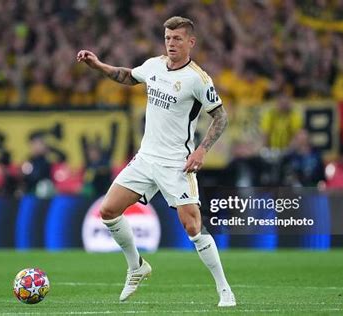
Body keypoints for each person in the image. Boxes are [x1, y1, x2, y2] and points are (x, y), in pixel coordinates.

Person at [77, 16, 236, 307]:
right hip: (146, 158)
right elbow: (127, 76)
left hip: (176, 163)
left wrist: (201, 151)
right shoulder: (154, 65)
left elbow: (221, 117)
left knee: (192, 227)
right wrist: (98, 65)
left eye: (177, 39)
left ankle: (225, 289)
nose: (171, 43)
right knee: (108, 210)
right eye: (167, 38)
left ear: (191, 42)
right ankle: (136, 266)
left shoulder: (198, 80)